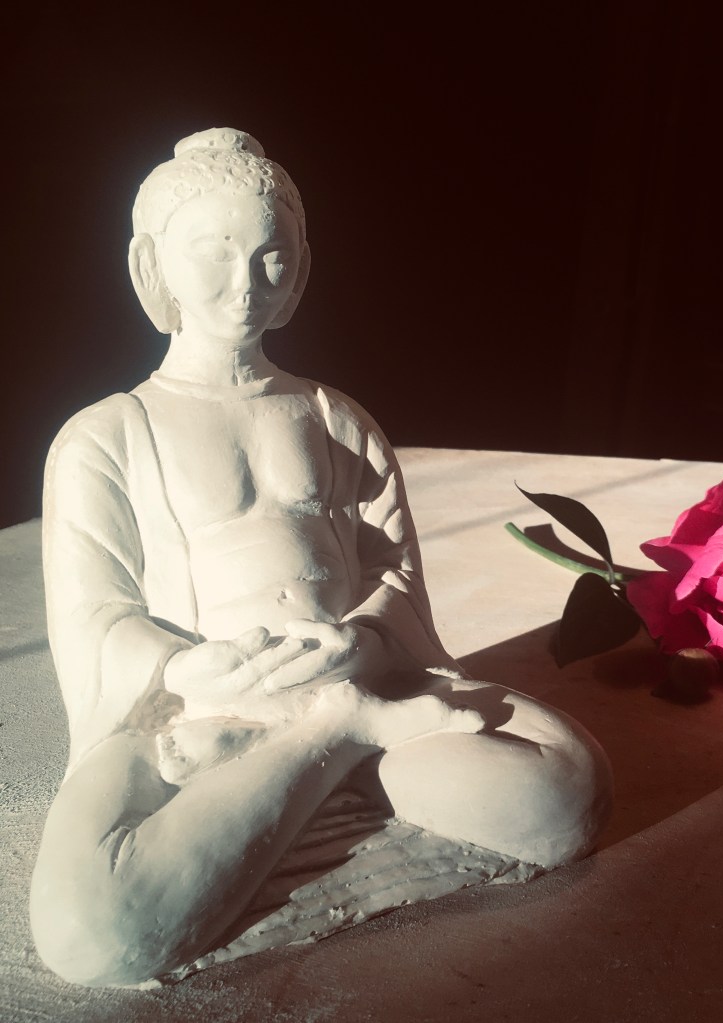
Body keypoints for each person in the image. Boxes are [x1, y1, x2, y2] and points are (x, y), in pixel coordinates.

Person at [30, 128, 611, 987]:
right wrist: (190, 666)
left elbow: (395, 573)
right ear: (152, 265)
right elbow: (95, 613)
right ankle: (336, 738)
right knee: (91, 928)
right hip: (198, 715)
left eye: (271, 257)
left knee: (566, 781)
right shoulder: (105, 435)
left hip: (364, 675)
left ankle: (305, 765)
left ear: (300, 270)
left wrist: (365, 640)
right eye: (213, 253)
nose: (243, 284)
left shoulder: (338, 418)